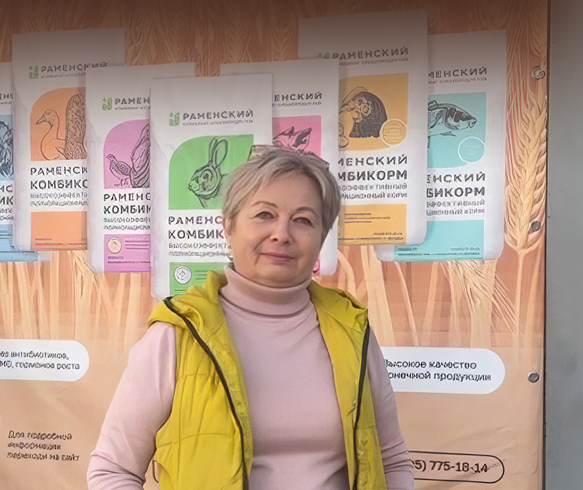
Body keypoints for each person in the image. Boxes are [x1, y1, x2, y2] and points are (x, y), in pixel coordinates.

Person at [88, 146, 414, 490]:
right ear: (228, 227)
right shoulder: (178, 334)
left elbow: (391, 458)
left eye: (303, 220)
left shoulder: (352, 330)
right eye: (264, 214)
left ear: (322, 238)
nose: (281, 234)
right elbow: (113, 470)